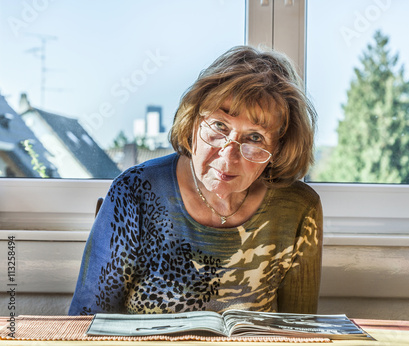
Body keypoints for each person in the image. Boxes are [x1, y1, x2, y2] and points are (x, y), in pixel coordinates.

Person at [68, 45, 323, 316]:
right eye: (220, 126)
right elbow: (86, 322)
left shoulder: (299, 209)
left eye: (255, 137)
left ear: (279, 149)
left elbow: (300, 331)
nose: (228, 155)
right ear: (193, 123)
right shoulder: (133, 191)